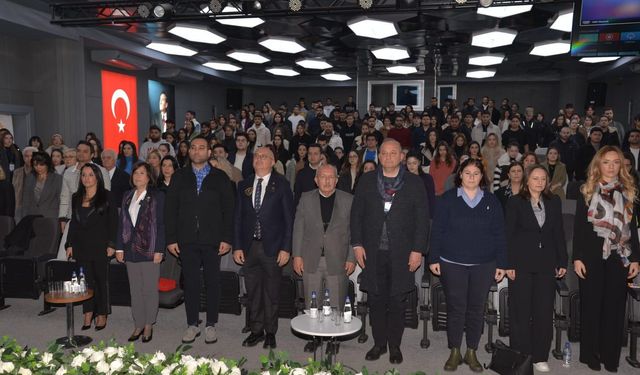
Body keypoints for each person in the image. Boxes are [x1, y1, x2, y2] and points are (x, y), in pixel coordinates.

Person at [350, 139, 429, 364]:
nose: (388, 157)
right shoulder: (366, 181)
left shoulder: (414, 183)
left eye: (393, 153)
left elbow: (422, 220)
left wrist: (417, 250)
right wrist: (356, 244)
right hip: (373, 252)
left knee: (397, 301)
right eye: (384, 153)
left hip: (402, 253)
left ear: (401, 156)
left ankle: (395, 346)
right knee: (375, 299)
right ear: (378, 156)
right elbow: (356, 215)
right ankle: (378, 344)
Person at [428, 158, 507, 372]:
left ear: (482, 177)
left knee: (475, 309)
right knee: (456, 308)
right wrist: (433, 258)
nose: (471, 177)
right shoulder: (447, 199)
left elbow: (500, 234)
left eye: (476, 173)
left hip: (484, 263)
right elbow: (437, 231)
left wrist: (502, 262)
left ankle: (471, 350)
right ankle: (455, 350)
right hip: (452, 262)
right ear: (460, 175)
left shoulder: (492, 200)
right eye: (467, 173)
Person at [573, 146, 640, 371]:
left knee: (614, 308)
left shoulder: (629, 191)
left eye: (615, 162)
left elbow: (632, 229)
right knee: (591, 307)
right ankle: (590, 355)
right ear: (598, 165)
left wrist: (636, 259)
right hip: (591, 256)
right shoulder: (587, 190)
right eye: (606, 162)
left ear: (621, 165)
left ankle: (610, 357)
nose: (611, 167)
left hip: (620, 256)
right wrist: (577, 258)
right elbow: (579, 229)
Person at [165, 137, 235, 344]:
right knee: (191, 283)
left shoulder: (220, 177)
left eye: (201, 148)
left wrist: (227, 238)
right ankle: (192, 324)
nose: (197, 151)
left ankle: (211, 324)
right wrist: (171, 238)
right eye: (193, 148)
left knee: (213, 282)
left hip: (212, 240)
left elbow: (229, 210)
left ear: (209, 151)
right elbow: (170, 209)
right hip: (186, 239)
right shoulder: (179, 176)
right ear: (189, 152)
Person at [505, 165, 568, 373]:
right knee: (520, 313)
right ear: (527, 180)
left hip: (546, 264)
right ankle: (521, 356)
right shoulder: (515, 202)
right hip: (521, 264)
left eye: (543, 178)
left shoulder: (554, 201)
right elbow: (509, 235)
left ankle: (540, 356)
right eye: (535, 178)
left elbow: (558, 232)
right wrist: (508, 264)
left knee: (542, 312)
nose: (539, 182)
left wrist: (562, 261)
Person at [234, 146, 294, 349]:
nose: (259, 159)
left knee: (271, 292)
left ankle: (270, 332)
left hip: (273, 248)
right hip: (249, 247)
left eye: (264, 156)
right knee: (253, 292)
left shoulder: (282, 184)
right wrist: (237, 247)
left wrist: (286, 248)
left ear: (273, 161)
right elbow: (238, 218)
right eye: (256, 156)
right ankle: (256, 330)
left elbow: (289, 220)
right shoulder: (243, 184)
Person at [292, 164, 355, 352]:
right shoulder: (305, 199)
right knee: (313, 301)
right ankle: (315, 337)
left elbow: (354, 232)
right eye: (323, 177)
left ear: (336, 180)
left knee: (336, 302)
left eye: (331, 177)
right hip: (311, 258)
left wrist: (351, 257)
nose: (327, 181)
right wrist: (297, 255)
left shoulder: (349, 200)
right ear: (316, 179)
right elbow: (298, 229)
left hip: (338, 258)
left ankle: (333, 339)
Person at [115, 162, 165, 343]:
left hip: (150, 248)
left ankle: (149, 324)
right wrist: (119, 247)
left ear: (149, 177)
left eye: (142, 173)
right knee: (135, 289)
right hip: (130, 248)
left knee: (149, 289)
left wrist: (159, 249)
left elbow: (160, 224)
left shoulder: (157, 196)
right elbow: (122, 223)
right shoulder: (127, 195)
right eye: (135, 173)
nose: (138, 176)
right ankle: (138, 323)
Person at [65, 163, 118, 331]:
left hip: (101, 245)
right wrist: (69, 244)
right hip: (81, 245)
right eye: (83, 175)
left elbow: (113, 222)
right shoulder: (76, 197)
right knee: (84, 281)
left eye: (90, 175)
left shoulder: (107, 196)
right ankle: (88, 312)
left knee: (101, 280)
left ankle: (102, 313)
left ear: (97, 177)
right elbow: (73, 222)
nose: (86, 178)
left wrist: (111, 244)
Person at [21, 152, 62, 219]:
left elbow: (60, 200)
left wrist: (61, 219)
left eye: (41, 165)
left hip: (50, 217)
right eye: (35, 165)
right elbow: (25, 201)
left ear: (47, 164)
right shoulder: (29, 178)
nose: (38, 167)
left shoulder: (57, 178)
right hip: (31, 216)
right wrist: (24, 217)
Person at [406, 152, 435, 218]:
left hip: (423, 214)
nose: (411, 166)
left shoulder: (427, 178)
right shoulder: (403, 178)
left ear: (419, 163)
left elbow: (431, 199)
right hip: (407, 215)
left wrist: (430, 216)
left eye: (414, 163)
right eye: (409, 163)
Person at [12, 146, 37, 220]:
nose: (29, 158)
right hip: (19, 205)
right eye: (26, 156)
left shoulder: (42, 171)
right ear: (23, 158)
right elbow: (14, 189)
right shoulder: (17, 172)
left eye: (32, 156)